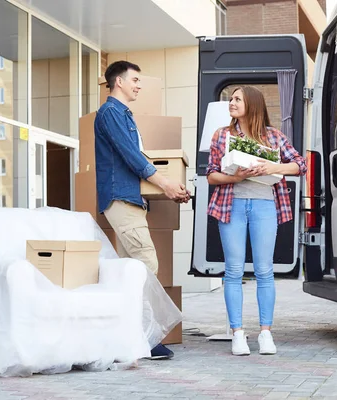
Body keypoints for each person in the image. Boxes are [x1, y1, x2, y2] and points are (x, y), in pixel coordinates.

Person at [94, 60, 190, 360]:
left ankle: (125, 337)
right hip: (120, 198)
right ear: (118, 82)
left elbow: (136, 158)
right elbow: (132, 157)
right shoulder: (110, 113)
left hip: (129, 198)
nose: (139, 85)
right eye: (135, 79)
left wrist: (168, 187)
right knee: (144, 262)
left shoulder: (125, 115)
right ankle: (145, 337)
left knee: (128, 270)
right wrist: (165, 184)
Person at [206, 86, 307, 356]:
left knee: (264, 271)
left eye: (237, 99)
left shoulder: (273, 136)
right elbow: (212, 175)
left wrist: (273, 167)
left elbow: (300, 164)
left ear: (252, 104)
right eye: (231, 99)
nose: (232, 103)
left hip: (264, 206)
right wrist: (236, 177)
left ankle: (265, 334)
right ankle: (238, 334)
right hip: (232, 206)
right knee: (233, 271)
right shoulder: (222, 135)